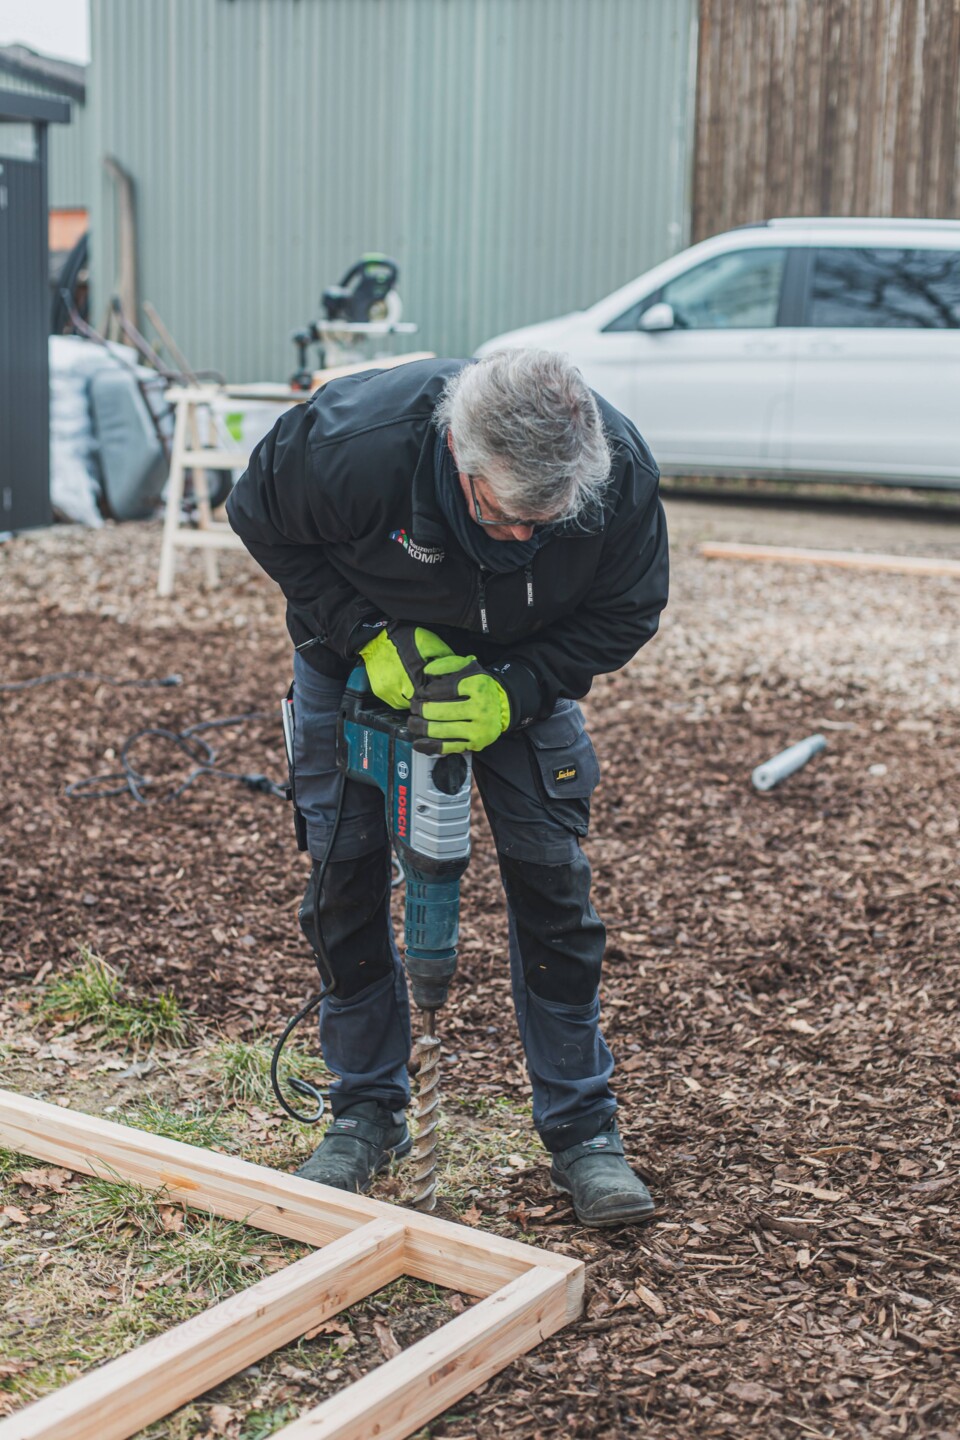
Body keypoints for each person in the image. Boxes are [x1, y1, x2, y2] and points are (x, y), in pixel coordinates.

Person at [226, 350, 669, 1227]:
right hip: (358, 661)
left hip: (519, 666)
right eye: (505, 516)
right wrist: (366, 636)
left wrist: (516, 690)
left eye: (547, 522)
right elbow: (258, 517)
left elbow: (627, 610)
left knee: (553, 879)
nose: (524, 539)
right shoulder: (354, 443)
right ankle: (366, 1110)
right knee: (343, 875)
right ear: (461, 458)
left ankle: (583, 1128)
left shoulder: (617, 472)